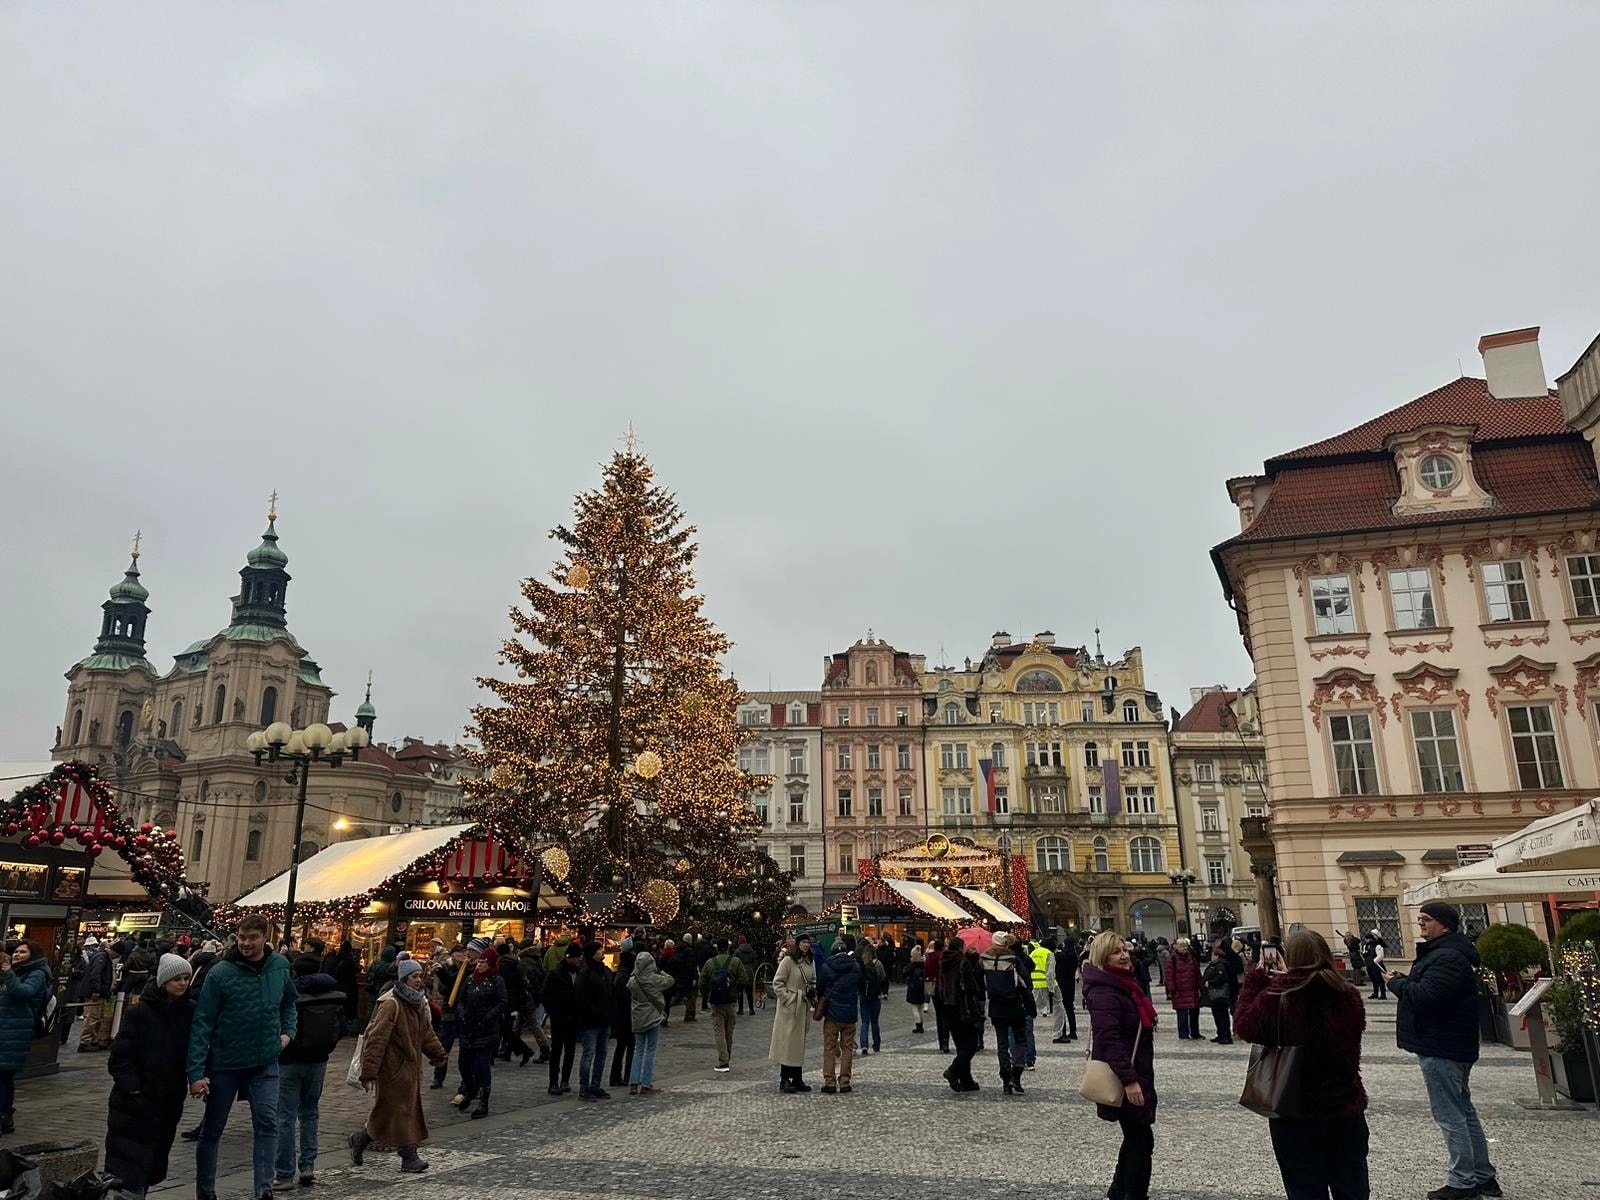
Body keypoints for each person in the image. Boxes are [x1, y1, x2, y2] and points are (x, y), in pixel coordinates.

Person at [1235, 930, 1369, 1200]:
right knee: (1352, 1185)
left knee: (1305, 1187)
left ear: (1290, 957)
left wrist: (1258, 979)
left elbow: (1244, 1025)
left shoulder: (1281, 995)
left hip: (1295, 1107)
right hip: (1345, 1105)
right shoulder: (1347, 994)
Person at [1386, 903, 1499, 1200]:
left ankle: (1463, 1182)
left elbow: (1426, 998)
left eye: (1427, 919)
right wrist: (1406, 980)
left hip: (1442, 1046)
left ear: (1445, 925)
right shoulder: (1447, 953)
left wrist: (1397, 984)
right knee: (1464, 1111)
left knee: (1451, 1116)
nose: (1421, 923)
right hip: (1449, 1043)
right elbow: (1432, 990)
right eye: (1420, 918)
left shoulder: (1448, 956)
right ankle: (1483, 1176)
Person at [187, 913, 298, 1200]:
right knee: (213, 1127)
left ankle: (264, 1190)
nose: (246, 943)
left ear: (265, 938)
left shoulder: (280, 967)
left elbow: (289, 1004)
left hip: (264, 1060)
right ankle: (206, 1192)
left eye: (252, 938)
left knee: (267, 1122)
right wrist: (196, 1072)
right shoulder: (220, 973)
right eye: (242, 937)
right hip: (225, 1062)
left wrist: (288, 1034)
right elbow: (203, 1022)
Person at [105, 953, 195, 1199]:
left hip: (168, 1098)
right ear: (164, 981)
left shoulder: (189, 1012)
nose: (182, 983)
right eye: (177, 978)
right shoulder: (139, 1013)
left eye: (186, 978)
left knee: (152, 1157)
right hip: (134, 1101)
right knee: (128, 1163)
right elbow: (121, 1057)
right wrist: (133, 1088)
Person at [350, 958, 447, 1174]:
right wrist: (369, 1072)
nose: (418, 980)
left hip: (410, 1069)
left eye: (419, 976)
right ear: (403, 978)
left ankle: (361, 1139)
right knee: (403, 1111)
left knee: (388, 1112)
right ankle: (409, 1156)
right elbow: (376, 1039)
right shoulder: (391, 1003)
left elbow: (426, 1034)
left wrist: (438, 1053)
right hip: (392, 1069)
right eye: (413, 976)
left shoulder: (417, 1003)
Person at [1082, 931, 1157, 1200]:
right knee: (1141, 1140)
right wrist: (1130, 1080)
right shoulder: (1105, 990)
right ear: (1102, 957)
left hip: (1134, 1070)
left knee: (1137, 1137)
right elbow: (1108, 1038)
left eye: (1124, 949)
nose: (1124, 955)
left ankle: (1118, 1191)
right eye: (1116, 952)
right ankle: (1131, 1195)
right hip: (1124, 1075)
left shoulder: (1123, 984)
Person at [273, 953, 346, 1189]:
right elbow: (342, 1027)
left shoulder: (290, 993)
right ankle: (308, 1166)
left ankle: (284, 1173)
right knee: (310, 1112)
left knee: (285, 1116)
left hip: (290, 1060)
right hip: (319, 1060)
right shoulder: (333, 995)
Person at [452, 939, 507, 1117]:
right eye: (480, 962)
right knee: (464, 1065)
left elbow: (502, 1002)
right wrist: (461, 1013)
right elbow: (461, 999)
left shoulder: (496, 981)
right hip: (469, 1028)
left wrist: (489, 1016)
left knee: (482, 1066)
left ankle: (483, 1103)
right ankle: (470, 1089)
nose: (480, 965)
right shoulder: (470, 979)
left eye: (483, 963)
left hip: (486, 1030)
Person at [979, 932, 1030, 1094]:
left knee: (1002, 1044)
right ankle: (1017, 1074)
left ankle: (1006, 1080)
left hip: (996, 1007)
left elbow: (978, 981)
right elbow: (1026, 979)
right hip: (1014, 1005)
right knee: (1020, 1040)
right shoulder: (1012, 958)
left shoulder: (984, 959)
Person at [769, 935, 816, 1093]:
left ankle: (797, 1078)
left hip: (802, 1008)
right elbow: (777, 983)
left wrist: (811, 994)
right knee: (787, 1044)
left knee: (798, 1045)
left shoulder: (810, 961)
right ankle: (784, 1079)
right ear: (797, 944)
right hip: (789, 1009)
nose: (806, 945)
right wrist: (788, 998)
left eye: (808, 942)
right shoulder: (788, 961)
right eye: (803, 942)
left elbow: (813, 980)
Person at [817, 934, 862, 1093]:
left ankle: (829, 1081)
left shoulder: (826, 967)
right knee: (847, 1048)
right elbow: (860, 986)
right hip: (849, 1014)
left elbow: (820, 989)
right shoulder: (855, 967)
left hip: (832, 1014)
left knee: (829, 1047)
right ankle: (845, 1081)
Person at [700, 937, 752, 1071]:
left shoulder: (710, 963)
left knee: (719, 1031)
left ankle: (723, 1061)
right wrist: (736, 990)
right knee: (729, 1031)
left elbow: (702, 982)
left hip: (716, 1002)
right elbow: (744, 979)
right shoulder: (735, 962)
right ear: (728, 948)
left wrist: (708, 995)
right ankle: (726, 1057)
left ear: (717, 947)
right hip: (731, 1000)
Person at [937, 937, 982, 1093]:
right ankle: (953, 1070)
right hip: (963, 1006)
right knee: (971, 1044)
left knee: (961, 1044)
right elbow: (971, 986)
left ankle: (966, 1081)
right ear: (961, 947)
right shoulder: (963, 962)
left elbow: (941, 985)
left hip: (948, 1006)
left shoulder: (944, 962)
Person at [627, 949, 672, 1095]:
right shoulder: (654, 978)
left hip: (637, 1018)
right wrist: (662, 972)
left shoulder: (632, 981)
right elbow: (670, 981)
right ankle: (646, 1083)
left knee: (637, 1050)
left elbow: (628, 987)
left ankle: (633, 1083)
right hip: (652, 1017)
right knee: (651, 1050)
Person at [541, 940, 583, 1095]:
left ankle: (565, 1080)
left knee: (570, 1051)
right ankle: (553, 1082)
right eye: (577, 957)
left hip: (574, 1017)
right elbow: (545, 994)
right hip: (559, 1018)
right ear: (569, 957)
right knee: (557, 1050)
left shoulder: (580, 972)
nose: (579, 960)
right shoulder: (556, 973)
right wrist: (553, 1012)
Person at [574, 940, 613, 1100]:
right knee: (589, 1053)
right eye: (599, 950)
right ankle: (584, 1088)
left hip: (604, 1019)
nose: (602, 952)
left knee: (602, 1054)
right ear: (592, 953)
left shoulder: (605, 971)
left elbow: (611, 993)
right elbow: (581, 996)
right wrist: (594, 1011)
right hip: (590, 1020)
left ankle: (595, 1085)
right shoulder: (586, 972)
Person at [429, 945, 468, 1089]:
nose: (463, 956)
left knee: (465, 1049)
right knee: (444, 1046)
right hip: (449, 1012)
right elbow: (442, 988)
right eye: (459, 954)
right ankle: (438, 1076)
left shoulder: (468, 968)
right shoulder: (445, 968)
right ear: (453, 954)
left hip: (464, 1013)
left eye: (464, 953)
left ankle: (467, 1081)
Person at [495, 936, 535, 1065]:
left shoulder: (504, 964)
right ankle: (510, 1052)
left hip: (508, 1001)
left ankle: (524, 1050)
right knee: (505, 1028)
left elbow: (503, 984)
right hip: (514, 1000)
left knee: (504, 1029)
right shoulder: (514, 961)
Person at [75, 935, 115, 1051]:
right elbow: (95, 974)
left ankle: (92, 1040)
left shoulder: (101, 956)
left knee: (96, 1017)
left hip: (98, 991)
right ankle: (85, 1041)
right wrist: (96, 990)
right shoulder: (102, 957)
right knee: (92, 1017)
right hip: (94, 992)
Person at [1164, 938, 1203, 1040]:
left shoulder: (1191, 957)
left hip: (1192, 989)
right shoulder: (1172, 959)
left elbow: (1196, 972)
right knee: (1182, 1014)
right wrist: (1172, 990)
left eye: (1186, 946)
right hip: (1179, 991)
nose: (1185, 948)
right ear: (1175, 947)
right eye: (1182, 946)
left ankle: (1195, 1033)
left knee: (1194, 1012)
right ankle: (1183, 1034)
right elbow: (1169, 975)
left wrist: (1200, 986)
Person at [608, 949, 636, 1089]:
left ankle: (617, 1076)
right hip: (626, 1017)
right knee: (629, 1046)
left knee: (621, 1047)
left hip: (619, 1017)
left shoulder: (619, 975)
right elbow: (626, 998)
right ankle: (627, 1075)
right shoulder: (626, 978)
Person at [323, 942, 361, 1033]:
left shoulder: (337, 958)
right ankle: (348, 1025)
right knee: (348, 1005)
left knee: (340, 1004)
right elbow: (356, 970)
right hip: (349, 986)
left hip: (338, 985)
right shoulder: (349, 959)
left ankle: (338, 1024)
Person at [856, 942, 886, 1056]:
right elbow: (883, 978)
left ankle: (864, 1045)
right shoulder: (878, 964)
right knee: (874, 1021)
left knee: (864, 1021)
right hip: (875, 996)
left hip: (864, 995)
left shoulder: (862, 964)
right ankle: (876, 1044)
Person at [1029, 936, 1059, 1047]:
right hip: (1047, 983)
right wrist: (1051, 988)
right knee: (1058, 1007)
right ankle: (1058, 1034)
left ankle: (1027, 1032)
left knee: (1032, 1009)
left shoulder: (1033, 953)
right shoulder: (1049, 954)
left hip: (1034, 983)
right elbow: (1050, 973)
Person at [1054, 932, 1081, 1043]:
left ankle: (1063, 1031)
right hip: (1070, 984)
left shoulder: (1060, 955)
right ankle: (1073, 1031)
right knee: (1069, 1008)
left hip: (1061, 983)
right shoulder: (1075, 956)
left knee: (1061, 1009)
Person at [925, 939, 949, 1051]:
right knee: (946, 1015)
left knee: (939, 1015)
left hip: (935, 986)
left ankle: (941, 1042)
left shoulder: (930, 957)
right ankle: (946, 1041)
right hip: (945, 987)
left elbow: (927, 971)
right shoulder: (946, 956)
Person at [366, 943, 399, 1019]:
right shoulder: (390, 967)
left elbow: (368, 975)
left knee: (370, 1013)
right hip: (384, 992)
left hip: (372, 990)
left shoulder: (374, 963)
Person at [906, 940, 927, 1032]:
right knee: (921, 1006)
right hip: (922, 986)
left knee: (915, 1007)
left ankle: (918, 1026)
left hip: (913, 986)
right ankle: (921, 1024)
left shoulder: (912, 964)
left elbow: (905, 973)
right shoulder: (924, 963)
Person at [734, 935, 758, 1015]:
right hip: (750, 971)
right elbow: (755, 962)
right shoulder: (751, 951)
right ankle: (751, 1009)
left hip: (741, 971)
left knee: (740, 991)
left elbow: (734, 962)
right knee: (749, 992)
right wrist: (752, 969)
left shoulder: (737, 951)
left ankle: (740, 1010)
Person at [1364, 929, 1388, 1000]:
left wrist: (1374, 961)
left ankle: (1383, 994)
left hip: (1376, 965)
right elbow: (1366, 954)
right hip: (1369, 965)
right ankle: (1375, 993)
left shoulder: (1378, 946)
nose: (1366, 940)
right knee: (1373, 979)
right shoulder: (1366, 946)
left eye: (1367, 939)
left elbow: (1380, 955)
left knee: (1379, 979)